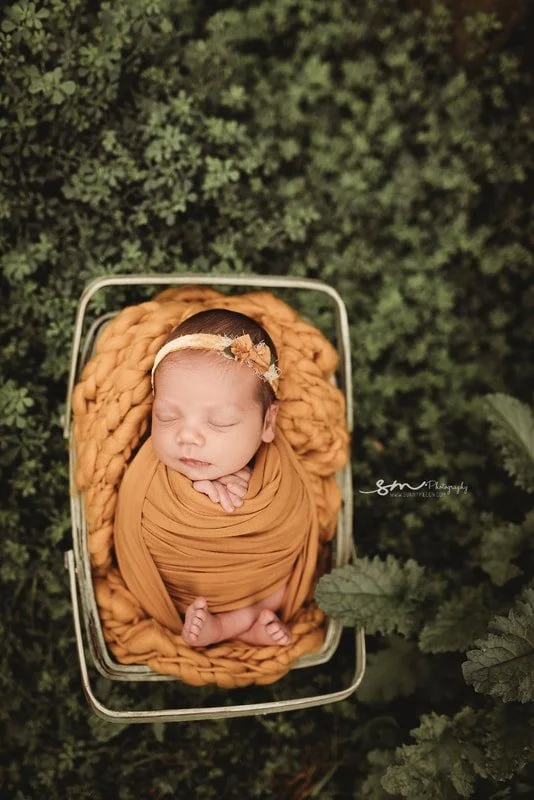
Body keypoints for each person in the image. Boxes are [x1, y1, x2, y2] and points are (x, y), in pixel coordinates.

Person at [113, 308, 320, 650]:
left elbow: (291, 527)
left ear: (268, 424)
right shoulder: (150, 475)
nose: (188, 436)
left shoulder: (278, 474)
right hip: (180, 590)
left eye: (220, 422)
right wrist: (192, 489)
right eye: (166, 416)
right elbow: (131, 523)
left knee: (286, 585)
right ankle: (240, 624)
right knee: (175, 588)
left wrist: (250, 487)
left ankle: (228, 625)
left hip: (260, 584)